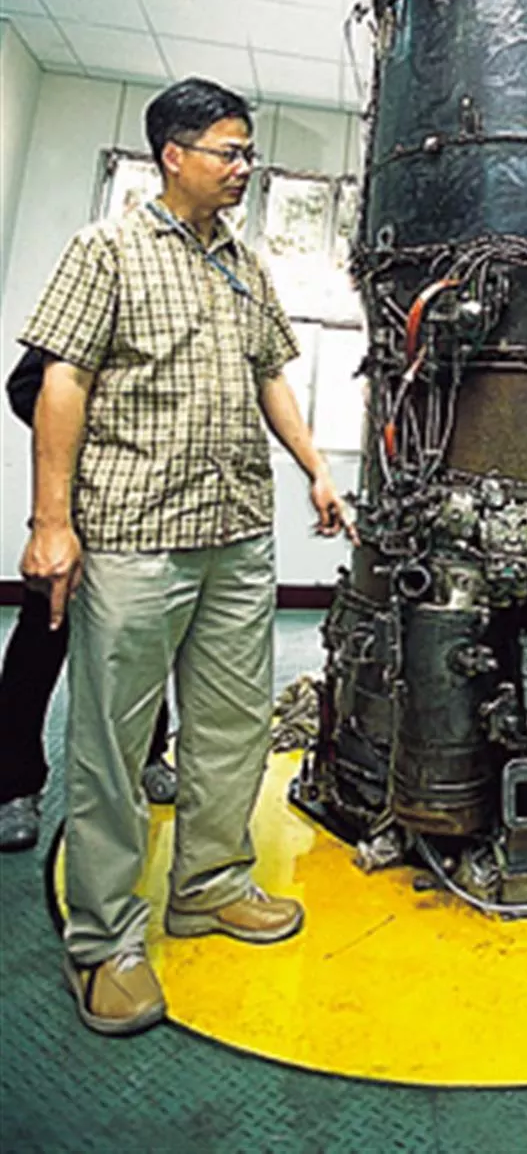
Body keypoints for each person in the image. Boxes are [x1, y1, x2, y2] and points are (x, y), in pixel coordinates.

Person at [17, 77, 355, 1036]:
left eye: (248, 152)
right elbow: (63, 379)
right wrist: (50, 521)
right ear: (173, 154)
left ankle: (209, 884)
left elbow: (270, 374)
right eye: (228, 151)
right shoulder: (107, 249)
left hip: (236, 533)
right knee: (114, 746)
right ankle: (104, 940)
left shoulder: (246, 263)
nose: (244, 167)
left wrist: (317, 469)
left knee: (232, 727)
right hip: (134, 533)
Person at [0, 352, 174, 855]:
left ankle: (148, 757)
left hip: (144, 524)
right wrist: (97, 426)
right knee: (37, 652)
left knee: (143, 646)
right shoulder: (85, 319)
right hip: (72, 519)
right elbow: (24, 387)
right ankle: (13, 787)